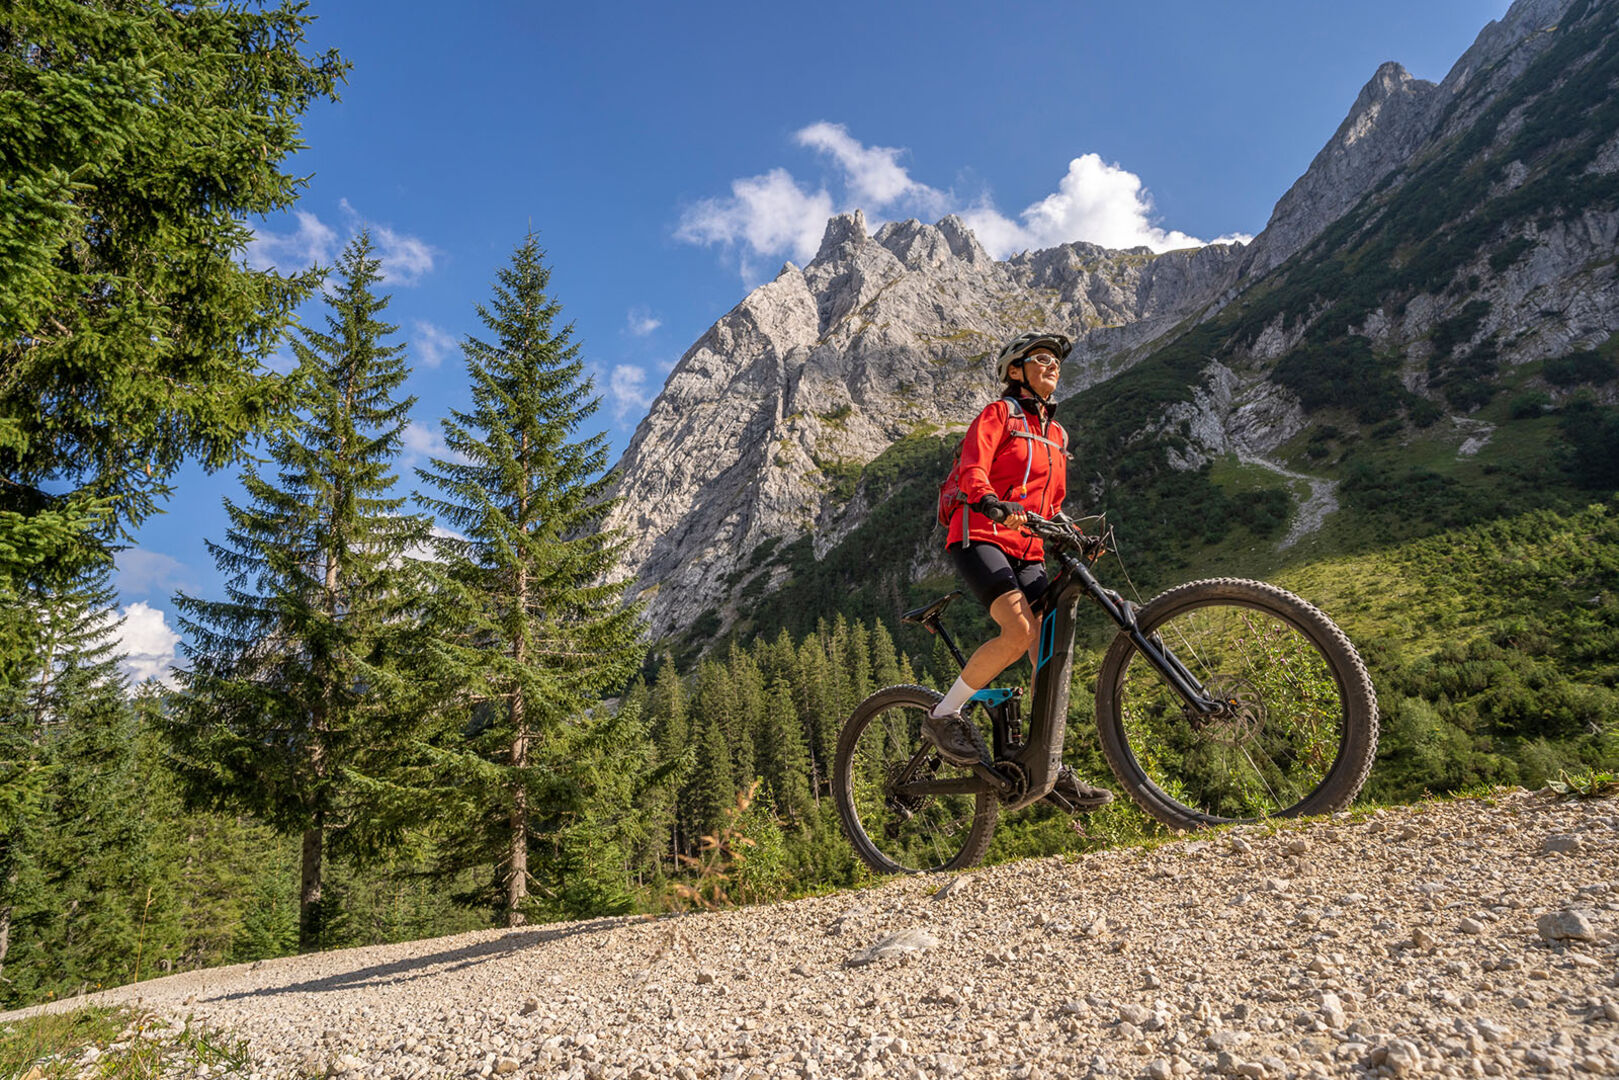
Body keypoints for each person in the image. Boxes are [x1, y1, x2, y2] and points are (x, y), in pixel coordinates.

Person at [926, 330, 1114, 810]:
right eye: (1043, 359)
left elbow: (1051, 504)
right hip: (980, 535)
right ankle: (944, 714)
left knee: (1047, 651)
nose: (1054, 366)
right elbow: (974, 467)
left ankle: (1045, 762)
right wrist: (989, 501)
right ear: (1016, 370)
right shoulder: (998, 414)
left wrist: (1073, 532)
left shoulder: (1057, 434)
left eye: (1056, 361)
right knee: (1019, 631)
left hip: (1028, 547)